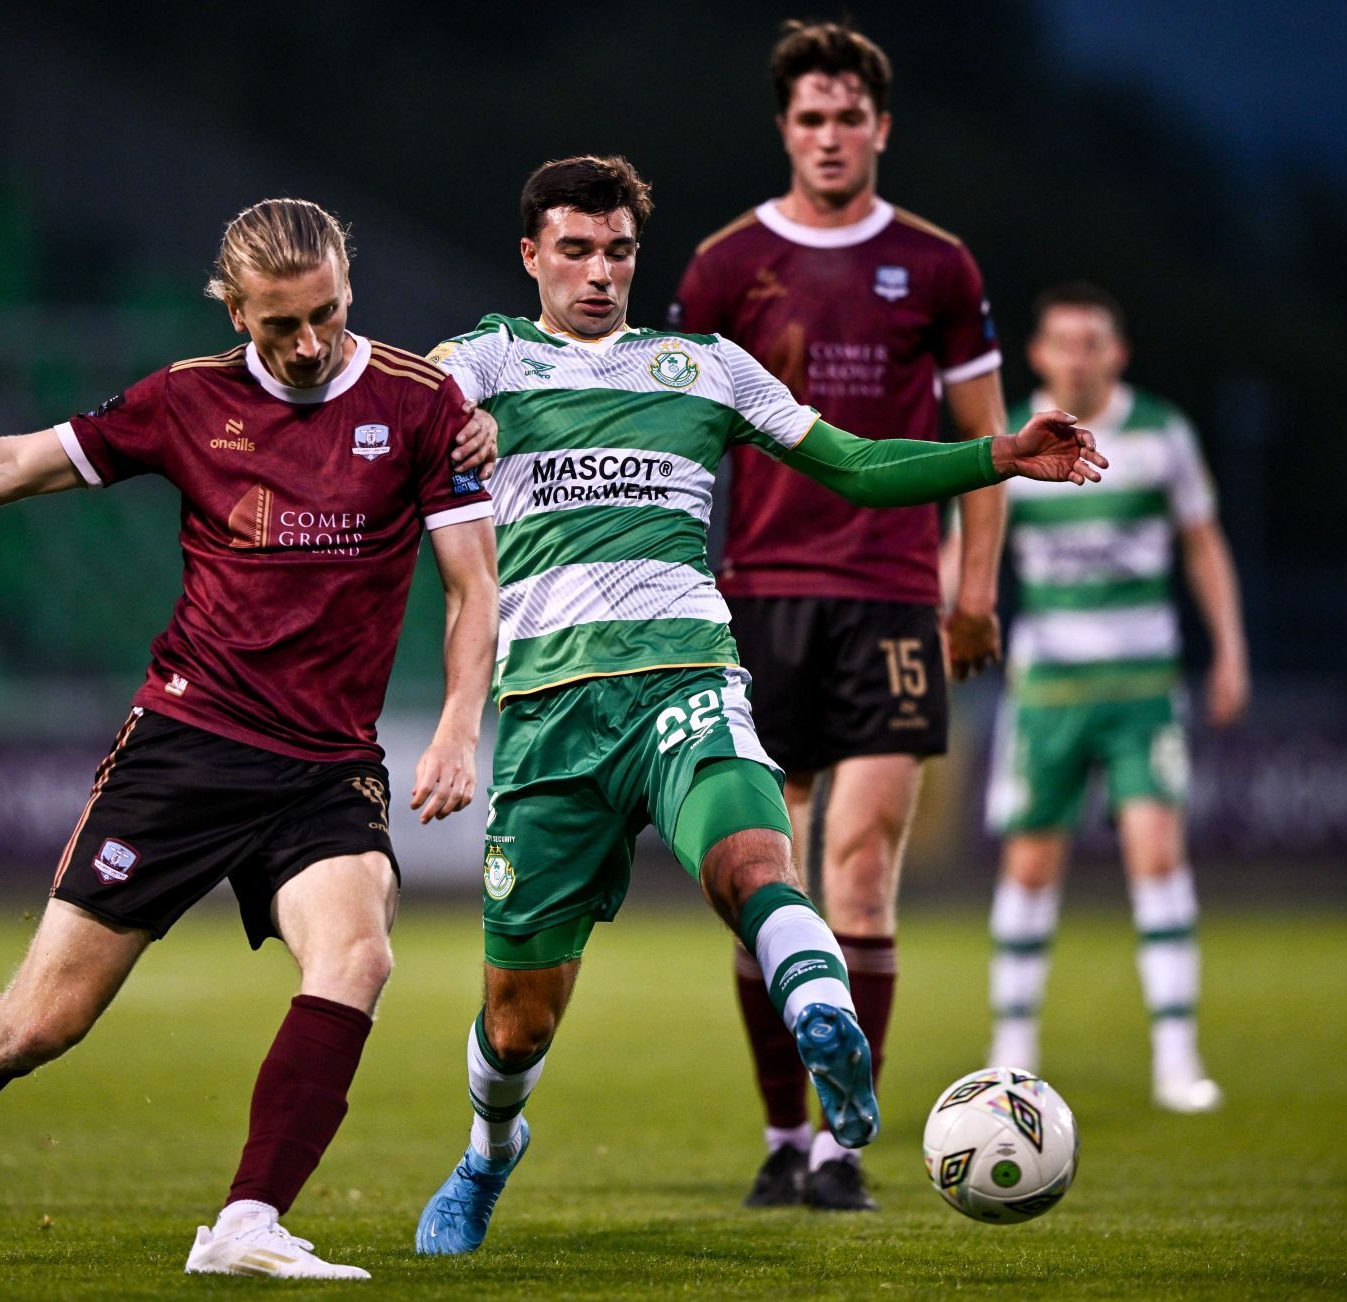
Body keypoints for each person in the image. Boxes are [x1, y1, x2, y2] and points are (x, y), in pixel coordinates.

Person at [0, 198, 501, 1281]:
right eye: (279, 323)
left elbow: (475, 587)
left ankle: (245, 1224)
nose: (309, 342)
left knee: (359, 953)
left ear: (348, 290)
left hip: (326, 765)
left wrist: (462, 725)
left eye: (326, 314)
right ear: (235, 308)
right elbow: (7, 466)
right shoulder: (185, 402)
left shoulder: (421, 404)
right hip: (187, 748)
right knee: (40, 1023)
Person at [412, 154, 1104, 1256]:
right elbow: (384, 418)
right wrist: (445, 429)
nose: (600, 272)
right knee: (517, 1018)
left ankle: (822, 1020)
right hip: (548, 714)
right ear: (533, 255)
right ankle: (489, 1152)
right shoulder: (480, 361)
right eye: (577, 250)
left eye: (620, 251)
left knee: (757, 869)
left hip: (689, 680)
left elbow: (861, 468)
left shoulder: (708, 368)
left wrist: (999, 456)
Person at [669, 19, 1012, 1212]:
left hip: (889, 601)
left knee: (860, 871)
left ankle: (840, 1147)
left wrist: (972, 590)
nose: (829, 136)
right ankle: (781, 1135)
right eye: (809, 118)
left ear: (881, 128)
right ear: (785, 130)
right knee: (769, 878)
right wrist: (681, 573)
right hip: (756, 599)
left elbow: (984, 435)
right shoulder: (721, 267)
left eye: (848, 117)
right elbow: (677, 439)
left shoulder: (939, 266)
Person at [985, 282, 1247, 1113]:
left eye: (1092, 341)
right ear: (1038, 353)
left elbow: (1204, 546)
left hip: (1142, 687)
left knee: (1158, 854)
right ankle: (1012, 1047)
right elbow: (975, 553)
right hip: (1048, 687)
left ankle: (1176, 1057)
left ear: (1116, 353)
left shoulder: (1164, 435)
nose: (1077, 355)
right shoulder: (1017, 442)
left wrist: (1230, 652)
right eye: (1062, 341)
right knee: (1030, 864)